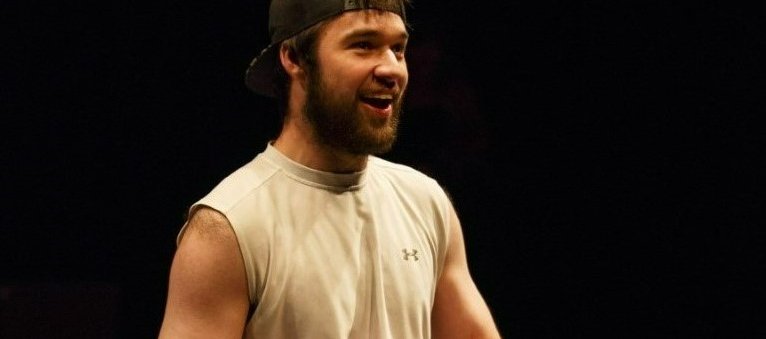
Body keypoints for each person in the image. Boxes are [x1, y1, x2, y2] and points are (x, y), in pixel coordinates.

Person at [158, 0, 502, 338]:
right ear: (294, 58)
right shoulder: (228, 228)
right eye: (363, 45)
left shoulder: (426, 203)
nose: (391, 69)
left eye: (398, 49)